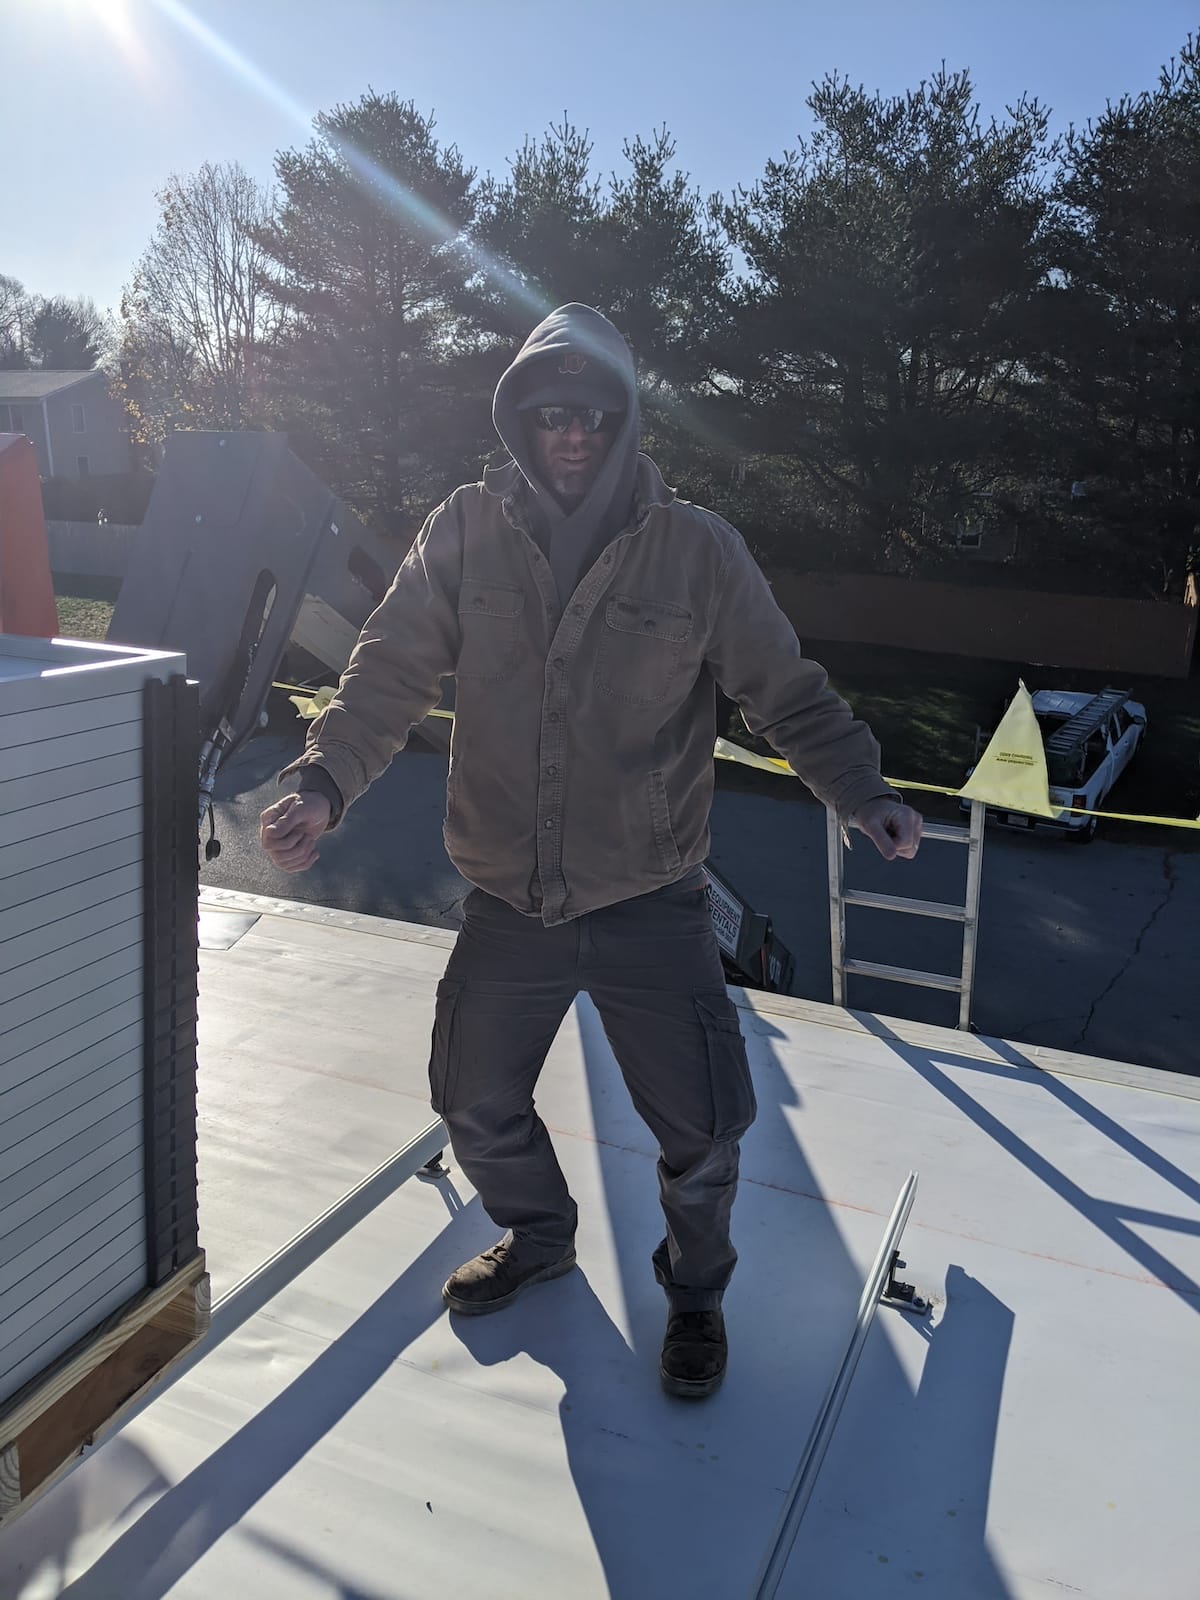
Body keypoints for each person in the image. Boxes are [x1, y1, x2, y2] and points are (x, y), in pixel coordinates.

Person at [259, 302, 922, 1400]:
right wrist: (325, 781)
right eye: (550, 411)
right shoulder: (464, 530)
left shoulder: (699, 551)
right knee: (471, 1098)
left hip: (650, 899)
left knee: (704, 1127)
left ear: (626, 422)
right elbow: (389, 670)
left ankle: (696, 1290)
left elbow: (783, 690)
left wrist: (860, 790)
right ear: (519, 416)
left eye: (595, 414)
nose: (572, 433)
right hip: (508, 900)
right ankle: (539, 1234)